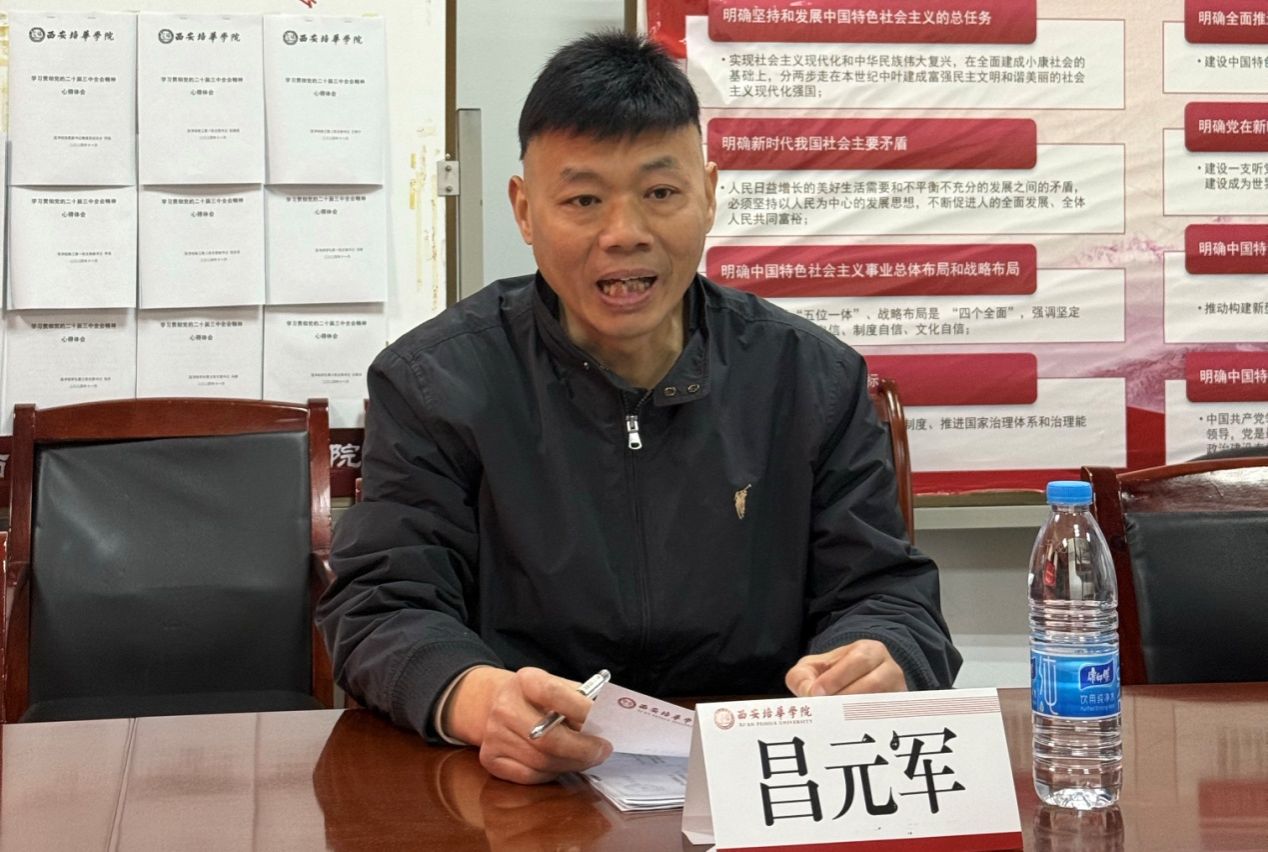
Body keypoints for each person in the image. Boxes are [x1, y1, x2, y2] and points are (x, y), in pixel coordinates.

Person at [317, 30, 961, 786]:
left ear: (709, 194)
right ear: (525, 211)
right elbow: (382, 606)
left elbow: (886, 593)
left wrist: (882, 654)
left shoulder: (809, 378)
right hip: (523, 783)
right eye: (583, 200)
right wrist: (476, 697)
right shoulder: (436, 383)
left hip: (757, 779)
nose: (624, 235)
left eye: (660, 193)